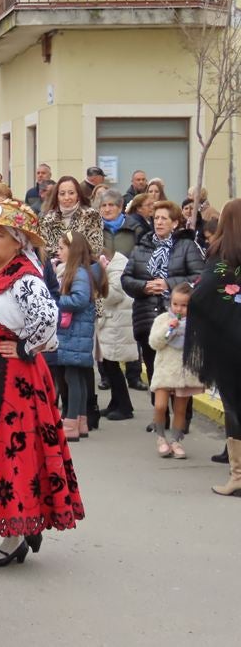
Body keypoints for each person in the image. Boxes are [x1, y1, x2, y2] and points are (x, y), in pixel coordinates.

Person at [0, 199, 84, 566]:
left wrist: (25, 347)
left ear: (18, 241)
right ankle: (12, 529)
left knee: (9, 453)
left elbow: (47, 323)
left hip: (11, 377)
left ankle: (15, 533)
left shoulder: (25, 277)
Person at [121, 200, 205, 411]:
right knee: (153, 368)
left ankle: (183, 416)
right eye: (155, 218)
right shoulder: (142, 246)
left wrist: (169, 283)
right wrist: (144, 286)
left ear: (175, 223)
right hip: (148, 315)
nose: (158, 222)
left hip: (179, 315)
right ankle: (160, 415)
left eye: (164, 218)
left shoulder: (186, 246)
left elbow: (199, 277)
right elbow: (126, 278)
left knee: (181, 368)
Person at [185, 199, 241, 493]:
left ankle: (238, 477)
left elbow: (202, 293)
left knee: (234, 406)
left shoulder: (222, 259)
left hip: (230, 345)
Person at [56, 231, 107, 440]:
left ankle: (71, 423)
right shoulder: (80, 272)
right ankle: (81, 420)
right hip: (76, 332)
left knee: (73, 378)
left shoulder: (78, 273)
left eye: (61, 247)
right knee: (77, 378)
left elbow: (79, 300)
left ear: (73, 250)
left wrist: (56, 300)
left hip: (75, 332)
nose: (58, 251)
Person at [147, 283, 204, 460]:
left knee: (180, 409)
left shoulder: (196, 323)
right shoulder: (162, 319)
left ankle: (176, 441)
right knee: (160, 406)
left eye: (184, 305)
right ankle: (160, 437)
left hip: (184, 372)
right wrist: (168, 329)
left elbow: (200, 347)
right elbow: (154, 343)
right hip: (165, 369)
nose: (179, 308)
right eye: (175, 304)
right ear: (170, 303)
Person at [96, 239, 139, 421]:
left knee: (112, 365)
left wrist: (97, 283)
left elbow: (113, 294)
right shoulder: (113, 266)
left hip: (117, 322)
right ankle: (116, 402)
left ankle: (124, 406)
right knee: (107, 364)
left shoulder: (119, 267)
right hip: (112, 321)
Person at [39, 175, 104, 260]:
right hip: (56, 268)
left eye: (71, 193)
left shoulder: (91, 216)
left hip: (84, 266)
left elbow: (96, 248)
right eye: (62, 194)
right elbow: (45, 250)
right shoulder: (47, 220)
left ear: (78, 195)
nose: (67, 197)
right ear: (57, 196)